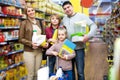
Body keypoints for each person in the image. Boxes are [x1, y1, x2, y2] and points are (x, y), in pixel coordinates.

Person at [62, 1, 97, 80]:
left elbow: (93, 26)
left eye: (68, 7)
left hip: (79, 48)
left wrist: (88, 36)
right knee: (70, 71)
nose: (67, 9)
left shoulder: (82, 16)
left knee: (80, 72)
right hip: (68, 47)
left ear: (72, 7)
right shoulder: (64, 19)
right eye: (65, 9)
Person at [19, 6, 48, 80]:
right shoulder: (24, 23)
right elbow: (20, 39)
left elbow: (44, 36)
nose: (31, 12)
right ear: (26, 13)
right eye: (29, 11)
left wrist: (45, 43)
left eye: (32, 10)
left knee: (37, 73)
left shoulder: (40, 23)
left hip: (39, 52)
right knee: (30, 74)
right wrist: (31, 43)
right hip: (29, 52)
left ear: (34, 11)